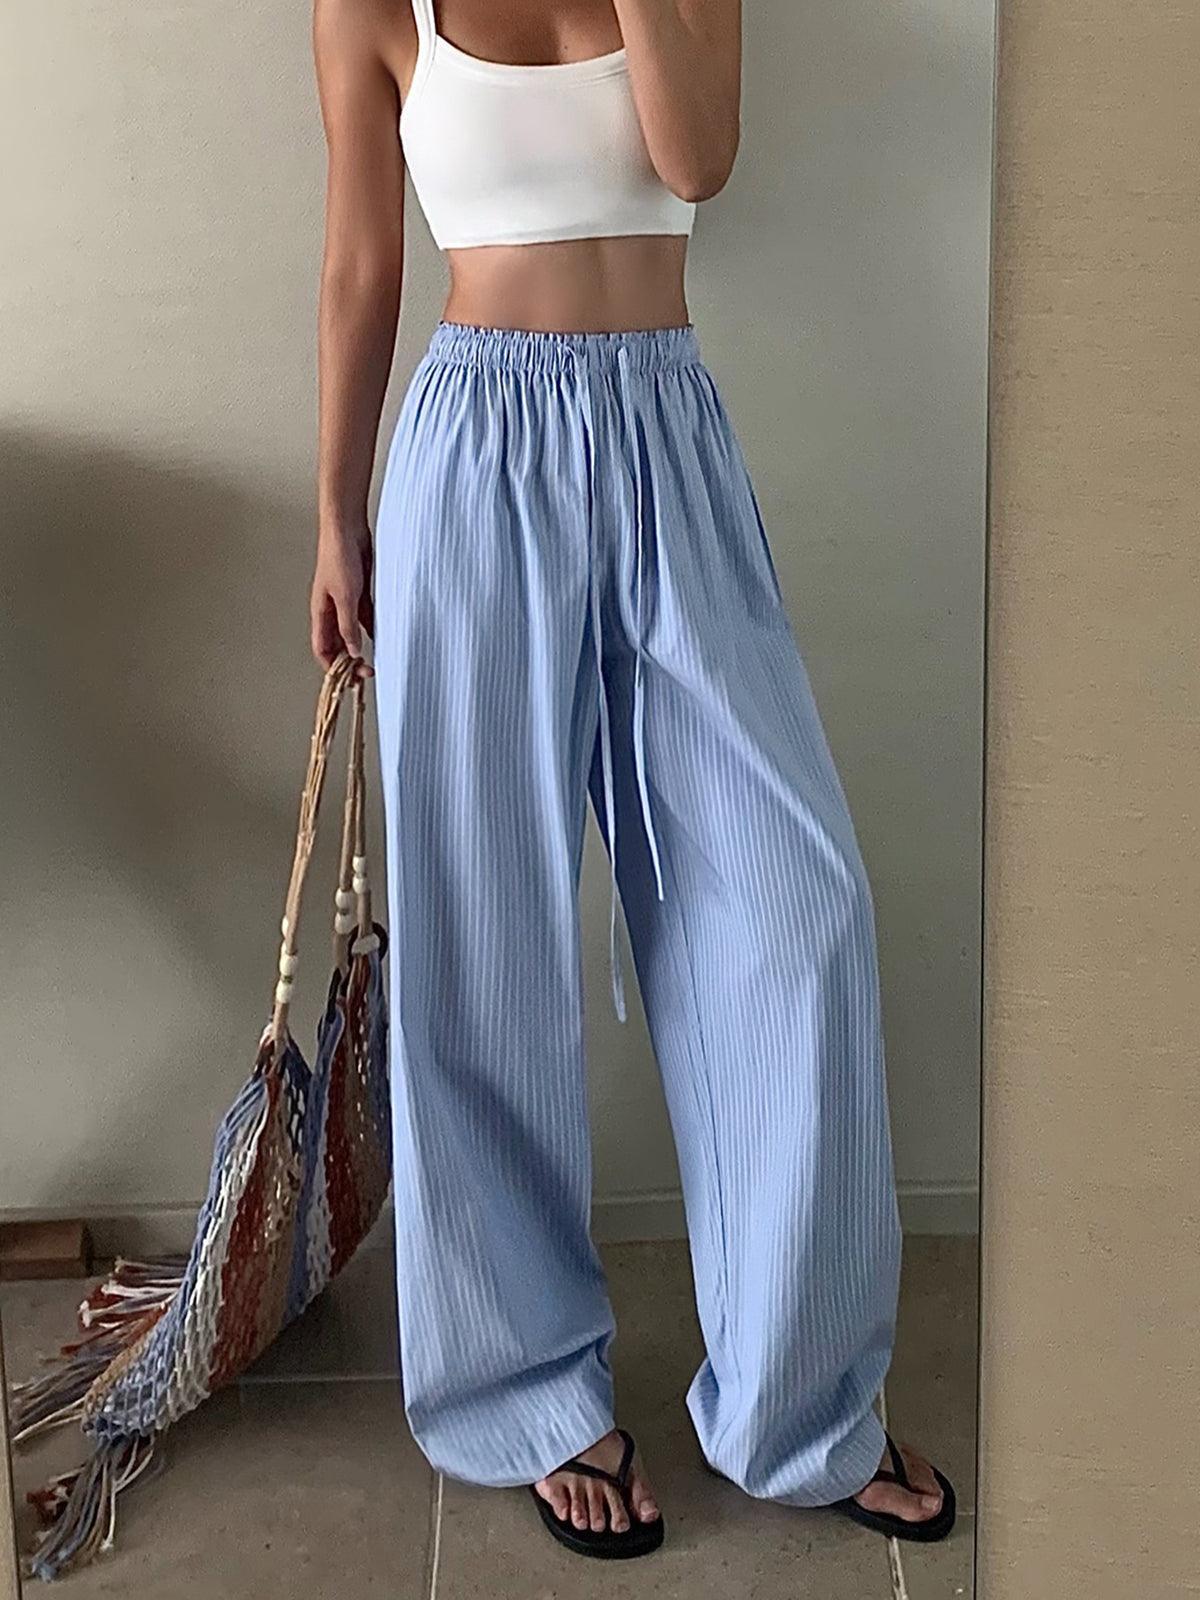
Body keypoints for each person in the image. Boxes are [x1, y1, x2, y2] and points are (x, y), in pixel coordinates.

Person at [308, 0, 955, 1560]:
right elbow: (359, 263)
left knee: (799, 915)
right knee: (480, 943)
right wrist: (335, 515)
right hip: (472, 460)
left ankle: (801, 1405)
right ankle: (528, 1389)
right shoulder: (368, 10)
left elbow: (698, 159)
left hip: (668, 444)